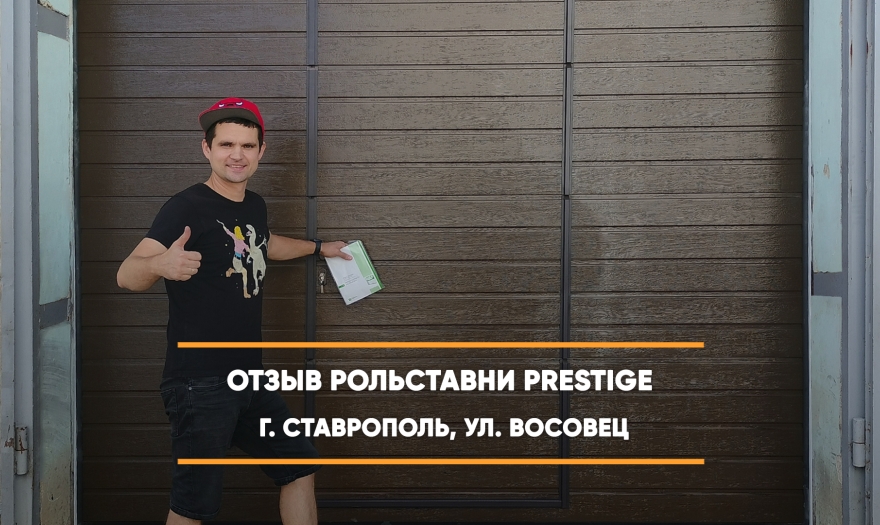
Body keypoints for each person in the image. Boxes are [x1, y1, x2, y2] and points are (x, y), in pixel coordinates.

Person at [116, 97, 351, 524]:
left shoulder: (253, 205)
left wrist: (319, 248)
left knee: (299, 467)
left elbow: (265, 244)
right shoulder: (186, 206)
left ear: (261, 151)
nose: (236, 155)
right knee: (192, 506)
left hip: (248, 378)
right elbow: (126, 274)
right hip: (199, 382)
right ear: (207, 149)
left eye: (247, 145)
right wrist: (160, 264)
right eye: (226, 144)